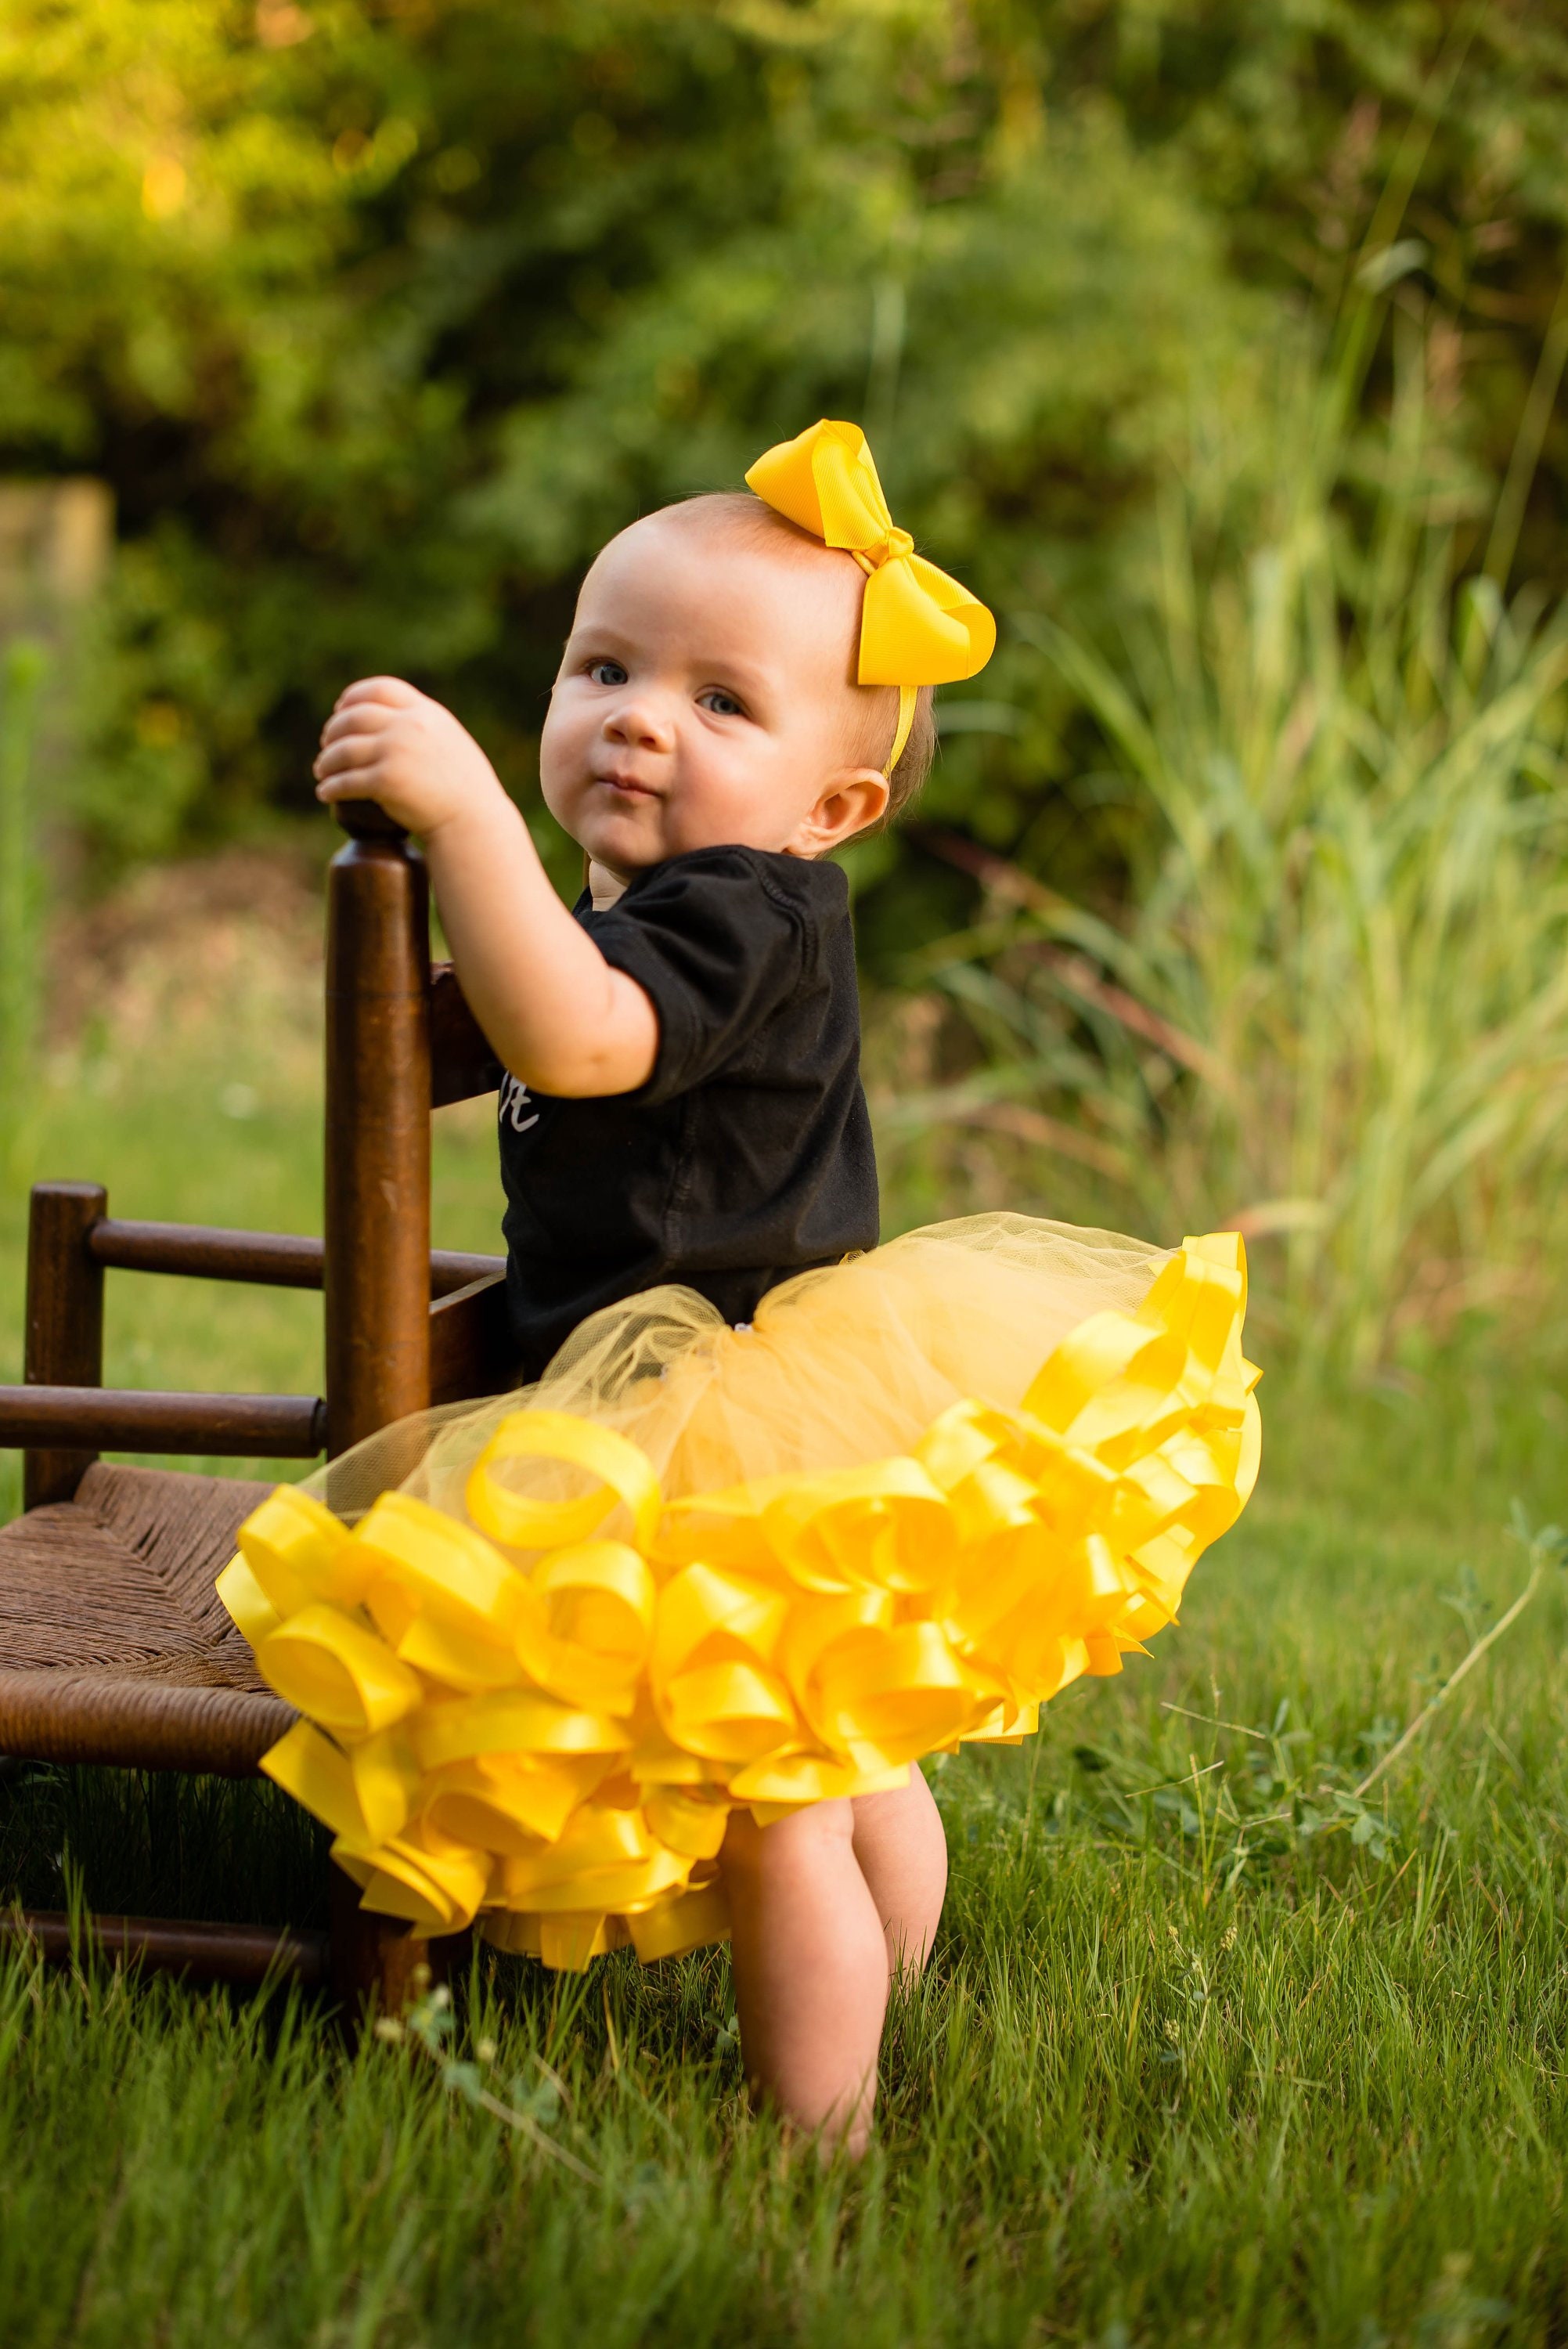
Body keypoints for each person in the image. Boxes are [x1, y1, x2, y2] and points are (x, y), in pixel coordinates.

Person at [231, 420, 1259, 2158]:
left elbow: (579, 1031)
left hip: (720, 1400)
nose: (641, 715)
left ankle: (822, 2138)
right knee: (841, 1745)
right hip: (730, 1371)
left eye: (724, 702)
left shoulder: (743, 915)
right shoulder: (654, 894)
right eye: (606, 667)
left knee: (780, 1795)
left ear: (832, 808)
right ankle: (893, 1987)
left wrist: (467, 806)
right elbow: (501, 1029)